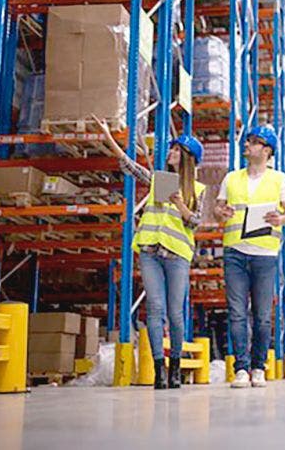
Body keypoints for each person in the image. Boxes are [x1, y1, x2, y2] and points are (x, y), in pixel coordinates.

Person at [96, 117, 204, 390]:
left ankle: (176, 366)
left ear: (188, 157)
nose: (170, 153)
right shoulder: (161, 180)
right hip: (150, 251)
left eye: (176, 150)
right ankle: (160, 370)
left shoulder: (198, 190)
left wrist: (180, 203)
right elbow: (131, 168)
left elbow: (195, 222)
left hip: (177, 256)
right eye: (172, 149)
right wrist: (110, 138)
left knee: (175, 313)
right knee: (155, 310)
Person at [214, 125, 285, 388]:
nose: (247, 145)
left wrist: (281, 218)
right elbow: (218, 210)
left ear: (267, 150)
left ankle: (258, 367)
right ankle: (241, 368)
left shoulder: (279, 179)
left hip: (265, 254)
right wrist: (221, 212)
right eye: (247, 141)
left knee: (262, 315)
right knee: (237, 313)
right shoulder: (231, 178)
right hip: (235, 252)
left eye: (254, 142)